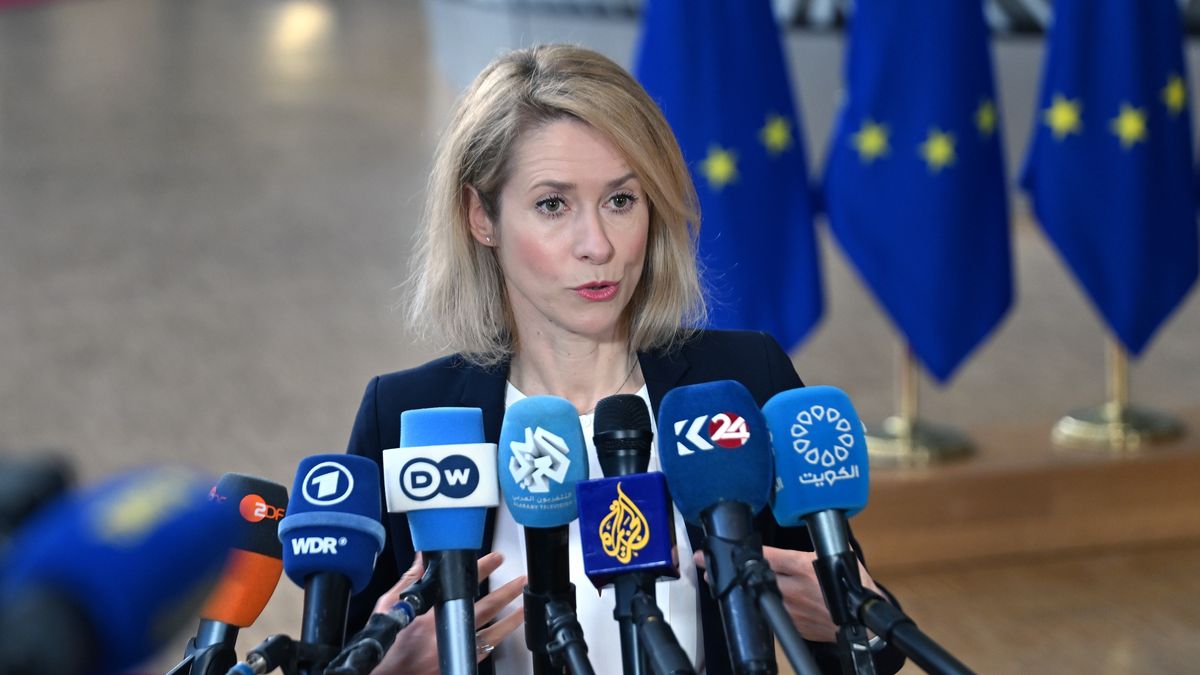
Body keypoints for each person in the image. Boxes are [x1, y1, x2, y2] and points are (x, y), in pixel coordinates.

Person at [346, 44, 905, 675]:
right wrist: (386, 669)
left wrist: (857, 626)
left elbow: (858, 644)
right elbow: (347, 649)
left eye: (621, 200)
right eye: (553, 204)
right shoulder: (407, 418)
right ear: (482, 217)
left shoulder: (744, 382)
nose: (599, 245)